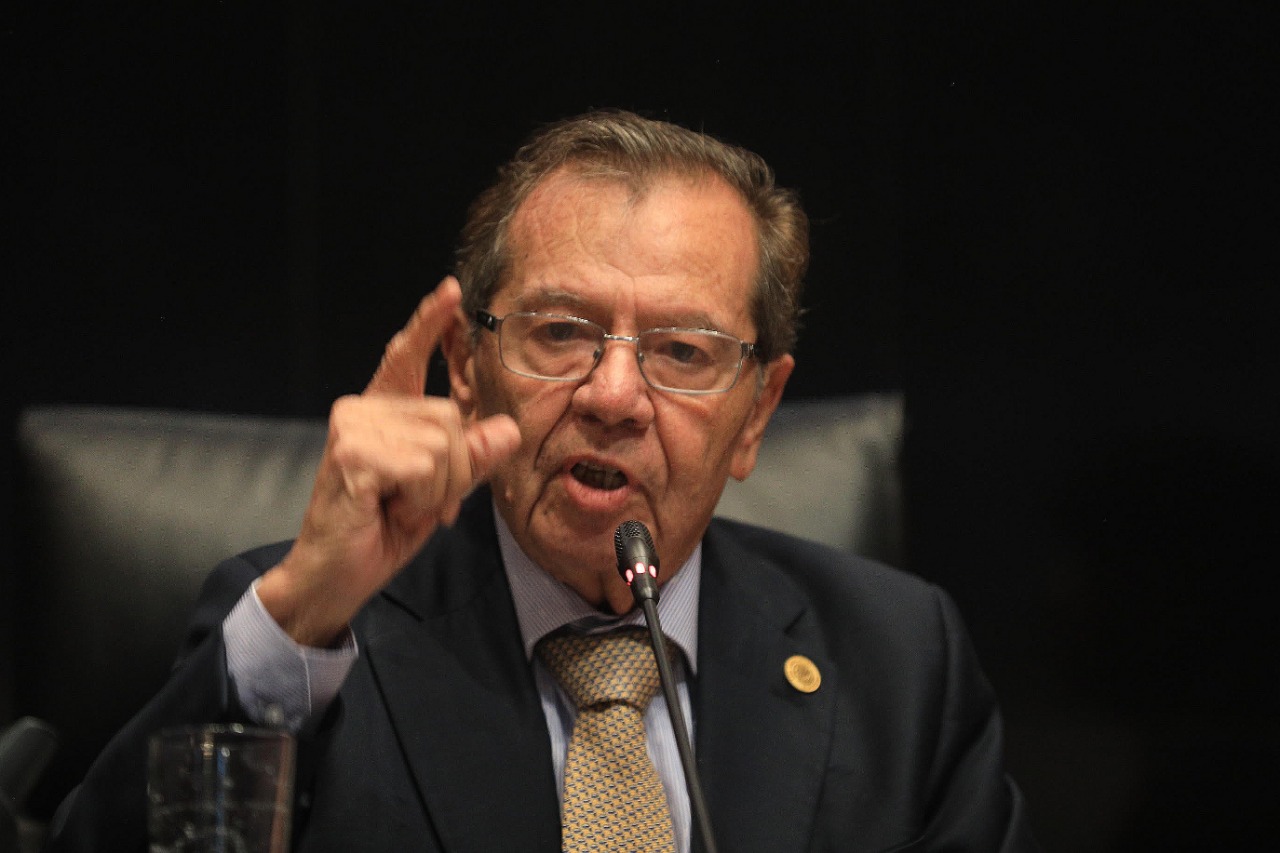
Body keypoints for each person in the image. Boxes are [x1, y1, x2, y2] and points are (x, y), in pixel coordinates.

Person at [45, 110, 1040, 852]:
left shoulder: (898, 662)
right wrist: (306, 607)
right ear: (466, 369)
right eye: (561, 331)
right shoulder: (315, 638)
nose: (612, 394)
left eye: (682, 351)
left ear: (756, 414)